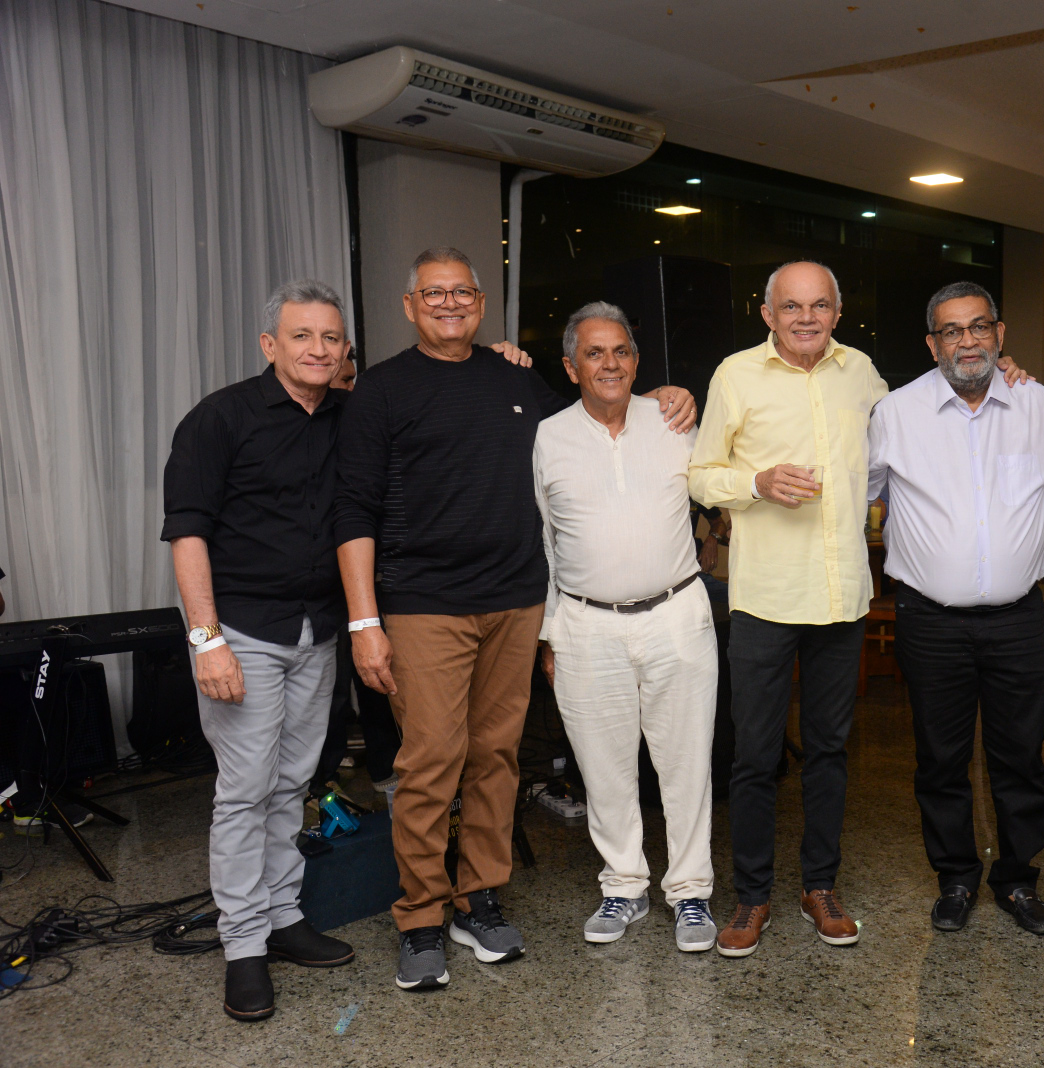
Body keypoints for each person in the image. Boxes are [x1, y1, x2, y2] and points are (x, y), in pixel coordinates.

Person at [334, 247, 693, 992]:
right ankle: (420, 916)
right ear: (409, 305)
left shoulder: (517, 380)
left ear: (480, 301)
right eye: (434, 293)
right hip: (423, 604)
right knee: (430, 760)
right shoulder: (382, 389)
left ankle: (480, 899)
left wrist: (663, 397)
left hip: (515, 601)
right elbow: (353, 510)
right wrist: (365, 623)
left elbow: (594, 414)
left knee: (497, 757)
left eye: (462, 292)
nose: (449, 303)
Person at [689, 260, 1028, 958]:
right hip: (765, 599)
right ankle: (752, 895)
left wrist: (1001, 370)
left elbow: (928, 407)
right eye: (791, 307)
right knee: (755, 757)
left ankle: (820, 886)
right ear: (768, 314)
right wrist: (755, 481)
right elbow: (699, 474)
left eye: (819, 306)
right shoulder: (735, 375)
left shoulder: (862, 373)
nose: (806, 318)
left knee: (829, 752)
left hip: (842, 596)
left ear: (837, 314)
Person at [161, 280, 359, 1021]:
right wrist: (206, 640)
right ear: (270, 344)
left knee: (292, 783)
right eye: (301, 335)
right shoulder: (220, 418)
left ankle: (282, 916)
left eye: (330, 337)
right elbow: (187, 533)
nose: (317, 349)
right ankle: (243, 944)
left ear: (345, 349)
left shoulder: (350, 416)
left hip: (318, 629)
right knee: (245, 790)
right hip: (242, 631)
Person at [867, 282, 1044, 936]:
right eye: (951, 331)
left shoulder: (1040, 406)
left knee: (1022, 757)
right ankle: (954, 877)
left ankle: (1017, 880)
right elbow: (862, 495)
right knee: (940, 758)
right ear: (933, 344)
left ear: (999, 334)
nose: (967, 341)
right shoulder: (896, 413)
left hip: (1018, 620)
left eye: (979, 327)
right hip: (930, 621)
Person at [535, 302, 719, 953]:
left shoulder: (674, 421)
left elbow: (723, 487)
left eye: (621, 351)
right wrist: (550, 632)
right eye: (594, 353)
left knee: (687, 764)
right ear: (571, 366)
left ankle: (691, 891)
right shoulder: (547, 436)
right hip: (586, 625)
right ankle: (623, 885)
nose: (609, 364)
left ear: (637, 363)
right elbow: (542, 541)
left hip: (677, 616)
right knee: (603, 767)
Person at [312, 354, 401, 796]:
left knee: (377, 685)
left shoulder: (368, 425)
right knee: (328, 693)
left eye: (353, 380)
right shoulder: (309, 433)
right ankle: (321, 786)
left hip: (370, 582)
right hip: (321, 588)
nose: (352, 390)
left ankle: (386, 777)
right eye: (345, 381)